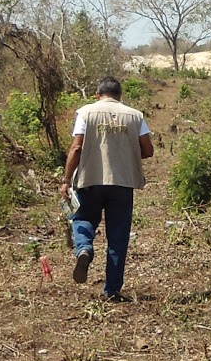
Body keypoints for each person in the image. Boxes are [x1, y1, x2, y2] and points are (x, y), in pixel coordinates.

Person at [60, 77, 153, 302]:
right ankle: (112, 290)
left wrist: (66, 179)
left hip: (90, 179)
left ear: (97, 94)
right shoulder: (135, 116)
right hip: (122, 183)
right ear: (120, 95)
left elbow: (76, 148)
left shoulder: (86, 113)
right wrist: (123, 154)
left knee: (82, 218)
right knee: (118, 237)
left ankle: (84, 249)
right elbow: (148, 150)